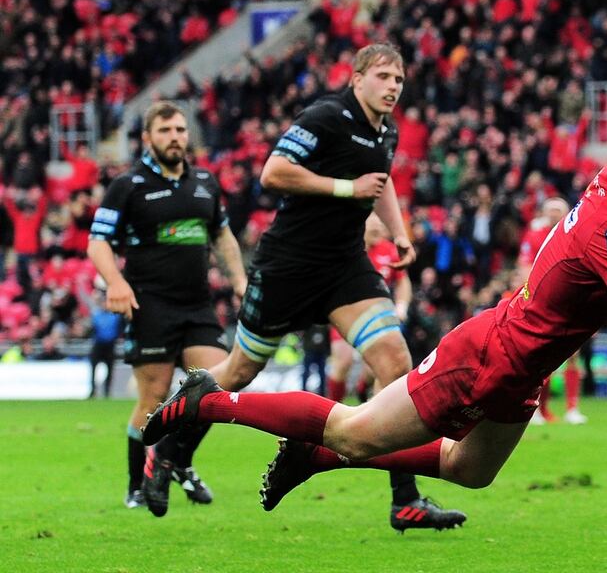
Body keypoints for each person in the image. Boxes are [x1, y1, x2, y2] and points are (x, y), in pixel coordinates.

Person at [143, 107, 607, 520]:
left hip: (524, 366)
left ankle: (310, 458)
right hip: (489, 356)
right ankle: (210, 400)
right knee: (348, 427)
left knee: (465, 473)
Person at [201, 43, 465, 532]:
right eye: (383, 76)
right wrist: (345, 188)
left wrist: (401, 233)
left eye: (399, 80)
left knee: (396, 363)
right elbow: (273, 172)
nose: (392, 87)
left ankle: (404, 500)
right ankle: (173, 439)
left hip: (344, 266)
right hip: (288, 266)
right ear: (356, 77)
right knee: (237, 372)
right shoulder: (325, 117)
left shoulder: (386, 131)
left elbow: (379, 185)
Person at [87, 101, 247, 514]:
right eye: (165, 131)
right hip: (150, 306)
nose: (175, 137)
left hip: (197, 306)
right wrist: (116, 282)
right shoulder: (128, 185)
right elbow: (97, 241)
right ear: (148, 138)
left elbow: (224, 237)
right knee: (153, 398)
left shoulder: (206, 184)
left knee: (217, 386)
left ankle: (177, 461)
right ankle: (136, 485)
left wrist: (240, 281)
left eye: (179, 130)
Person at [326, 213, 413, 404]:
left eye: (380, 226)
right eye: (373, 227)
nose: (378, 230)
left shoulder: (389, 251)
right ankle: (332, 411)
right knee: (343, 361)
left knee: (377, 369)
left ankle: (365, 396)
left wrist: (402, 306)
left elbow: (403, 281)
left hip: (378, 317)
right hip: (345, 314)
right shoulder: (346, 251)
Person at [517, 197, 587, 425]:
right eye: (551, 210)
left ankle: (572, 408)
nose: (555, 213)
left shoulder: (576, 233)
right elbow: (526, 268)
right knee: (541, 356)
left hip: (570, 300)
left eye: (559, 210)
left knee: (573, 355)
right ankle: (537, 409)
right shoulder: (535, 236)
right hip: (543, 301)